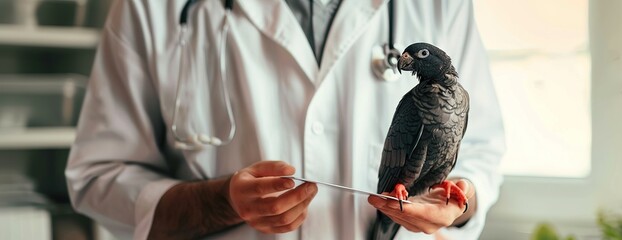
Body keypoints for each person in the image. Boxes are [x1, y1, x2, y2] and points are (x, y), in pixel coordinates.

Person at [65, 0, 505, 239]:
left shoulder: (442, 5)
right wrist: (220, 201)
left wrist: (458, 201)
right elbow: (98, 177)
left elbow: (480, 151)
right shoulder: (153, 8)